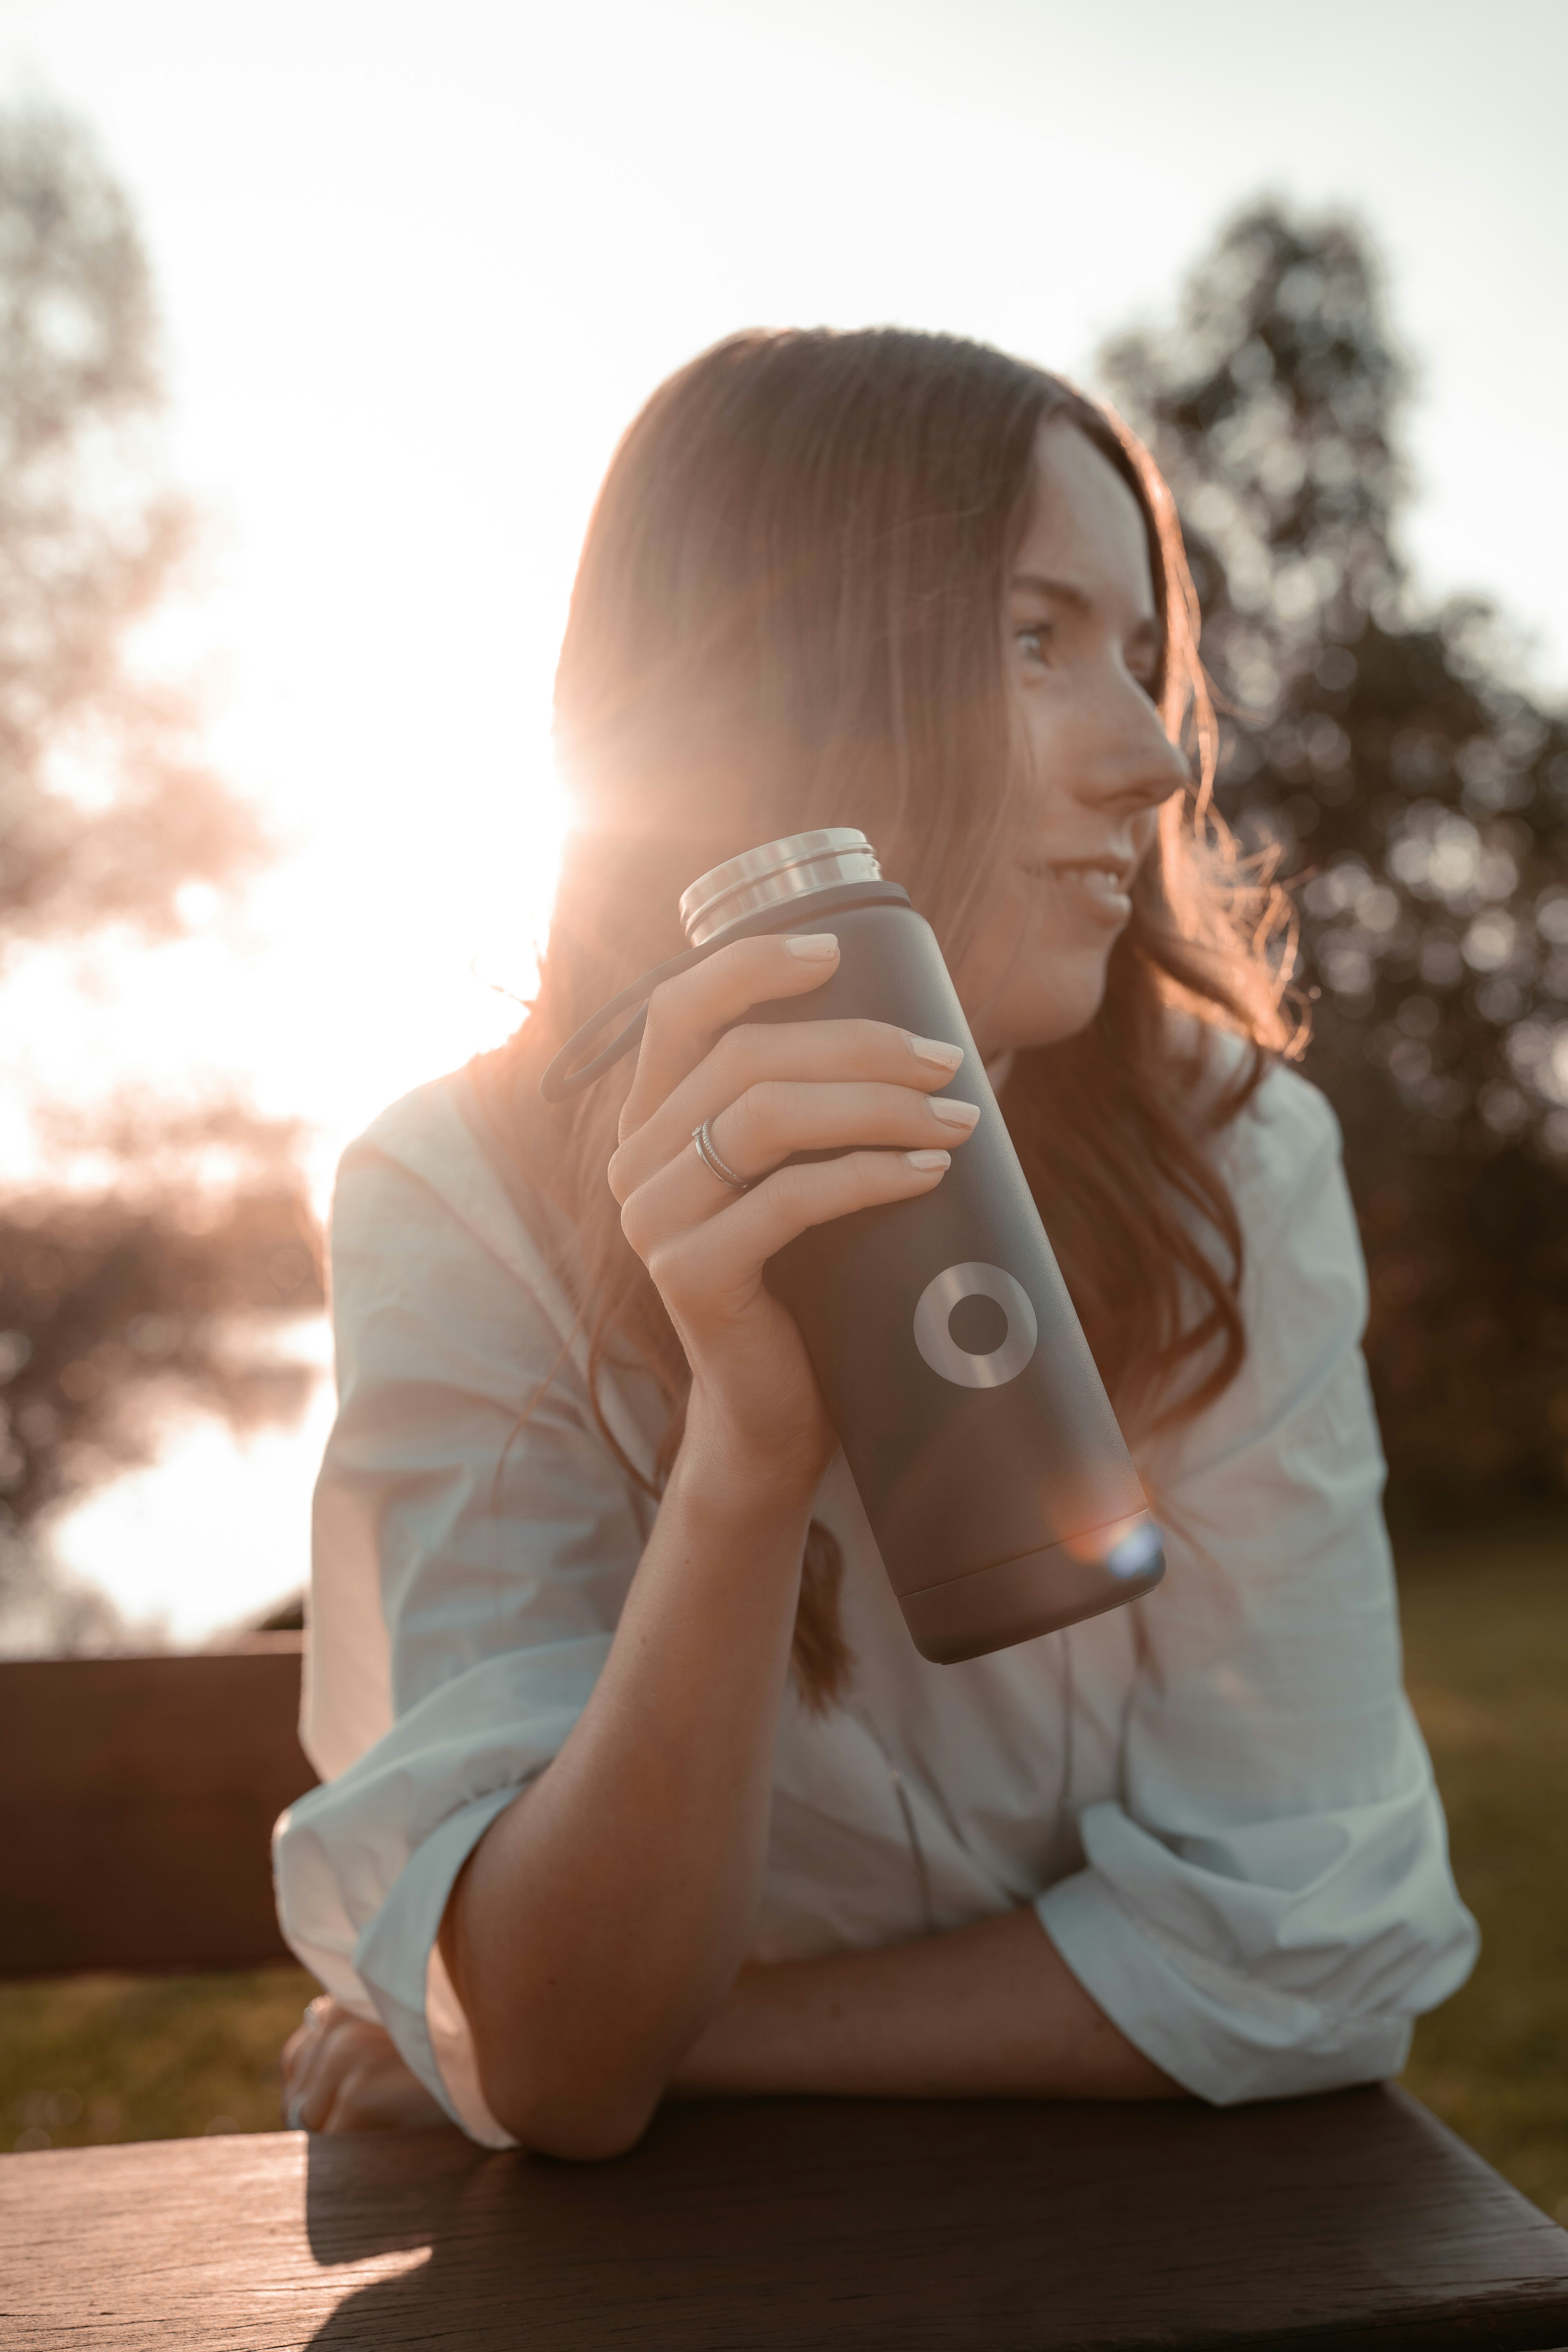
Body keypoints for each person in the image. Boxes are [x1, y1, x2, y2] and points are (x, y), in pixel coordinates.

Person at [274, 327, 1477, 2150]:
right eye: (1031, 640)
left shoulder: (1231, 1162)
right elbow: (570, 2053)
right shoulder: (462, 1196)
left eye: (1144, 663)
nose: (1152, 760)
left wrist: (711, 2036)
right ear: (782, 678)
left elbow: (1316, 1947)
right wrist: (751, 1458)